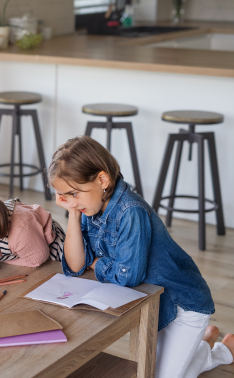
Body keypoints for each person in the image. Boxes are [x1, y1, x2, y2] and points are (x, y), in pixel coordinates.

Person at [49, 135, 234, 378]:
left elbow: (128, 276)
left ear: (102, 180)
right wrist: (73, 214)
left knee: (159, 376)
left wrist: (95, 263)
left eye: (74, 194)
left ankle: (217, 348)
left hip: (183, 305)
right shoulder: (88, 206)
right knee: (155, 371)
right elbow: (75, 265)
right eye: (65, 196)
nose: (70, 202)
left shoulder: (130, 211)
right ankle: (205, 344)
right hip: (157, 305)